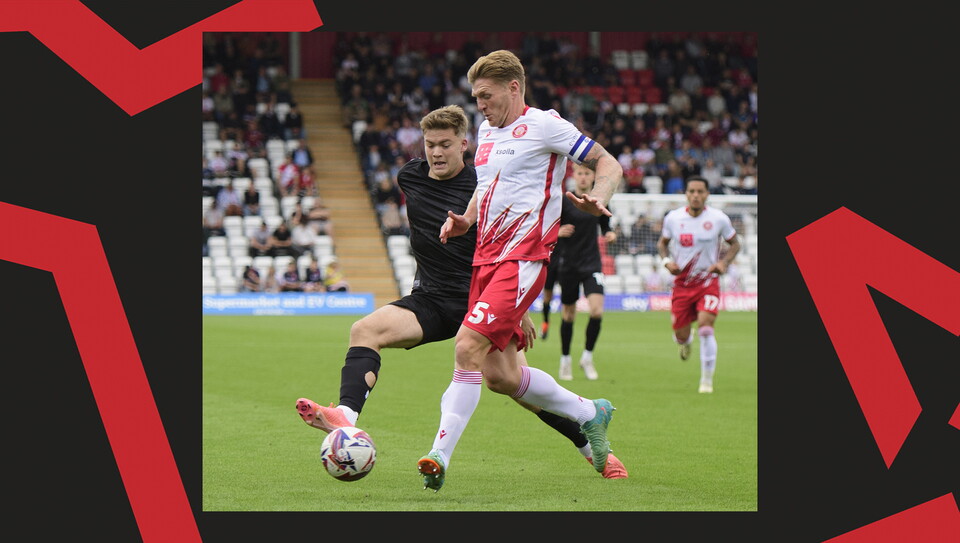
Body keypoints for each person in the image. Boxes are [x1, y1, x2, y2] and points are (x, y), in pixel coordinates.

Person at [295, 105, 626, 488]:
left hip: (483, 296)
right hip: (432, 299)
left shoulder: (486, 182)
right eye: (430, 144)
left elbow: (515, 238)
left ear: (465, 145)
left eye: (445, 145)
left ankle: (593, 449)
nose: (436, 152)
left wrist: (520, 310)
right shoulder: (410, 177)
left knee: (509, 383)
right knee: (365, 330)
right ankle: (346, 418)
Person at [420, 50, 624, 491]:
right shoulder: (486, 131)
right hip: (484, 260)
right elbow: (488, 184)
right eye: (476, 97)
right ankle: (591, 412)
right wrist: (468, 219)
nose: (480, 105)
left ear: (514, 87)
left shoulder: (547, 125)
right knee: (501, 376)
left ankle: (439, 455)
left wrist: (601, 195)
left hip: (525, 257)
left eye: (486, 95)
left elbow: (609, 163)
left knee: (465, 347)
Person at [656, 175, 741, 393]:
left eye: (700, 192)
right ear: (686, 194)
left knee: (706, 328)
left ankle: (706, 380)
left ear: (707, 194)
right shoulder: (673, 218)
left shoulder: (719, 218)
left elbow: (735, 244)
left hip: (708, 282)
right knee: (681, 335)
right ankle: (685, 342)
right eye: (692, 191)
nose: (695, 196)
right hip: (682, 284)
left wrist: (724, 263)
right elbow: (663, 244)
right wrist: (666, 261)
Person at [555, 163, 617, 381]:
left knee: (597, 311)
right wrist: (558, 232)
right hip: (568, 264)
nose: (582, 177)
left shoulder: (598, 201)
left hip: (591, 263)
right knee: (569, 314)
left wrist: (609, 234)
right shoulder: (563, 200)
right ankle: (565, 360)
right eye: (579, 173)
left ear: (592, 177)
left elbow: (606, 224)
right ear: (573, 176)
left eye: (586, 174)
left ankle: (587, 357)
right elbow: (547, 227)